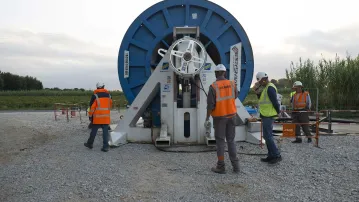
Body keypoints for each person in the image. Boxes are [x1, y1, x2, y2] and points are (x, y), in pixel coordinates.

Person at [205, 64, 240, 174]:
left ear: (216, 73)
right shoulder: (232, 84)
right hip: (232, 116)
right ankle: (236, 166)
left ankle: (221, 166)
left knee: (220, 142)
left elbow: (210, 105)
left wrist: (207, 117)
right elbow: (235, 96)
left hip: (220, 118)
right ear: (224, 72)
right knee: (231, 140)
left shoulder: (213, 86)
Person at [255, 72, 282, 164]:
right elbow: (262, 100)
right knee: (267, 136)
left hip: (269, 115)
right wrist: (257, 91)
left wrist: (278, 112)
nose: (260, 83)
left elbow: (275, 101)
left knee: (268, 136)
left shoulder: (270, 87)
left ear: (263, 79)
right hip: (266, 114)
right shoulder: (266, 88)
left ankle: (276, 154)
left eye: (260, 81)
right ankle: (271, 155)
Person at [84, 82, 113, 152]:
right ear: (103, 87)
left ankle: (90, 144)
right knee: (105, 132)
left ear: (97, 87)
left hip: (97, 117)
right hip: (106, 117)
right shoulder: (109, 95)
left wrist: (90, 116)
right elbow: (110, 105)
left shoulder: (95, 96)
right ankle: (105, 147)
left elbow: (92, 107)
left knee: (94, 130)